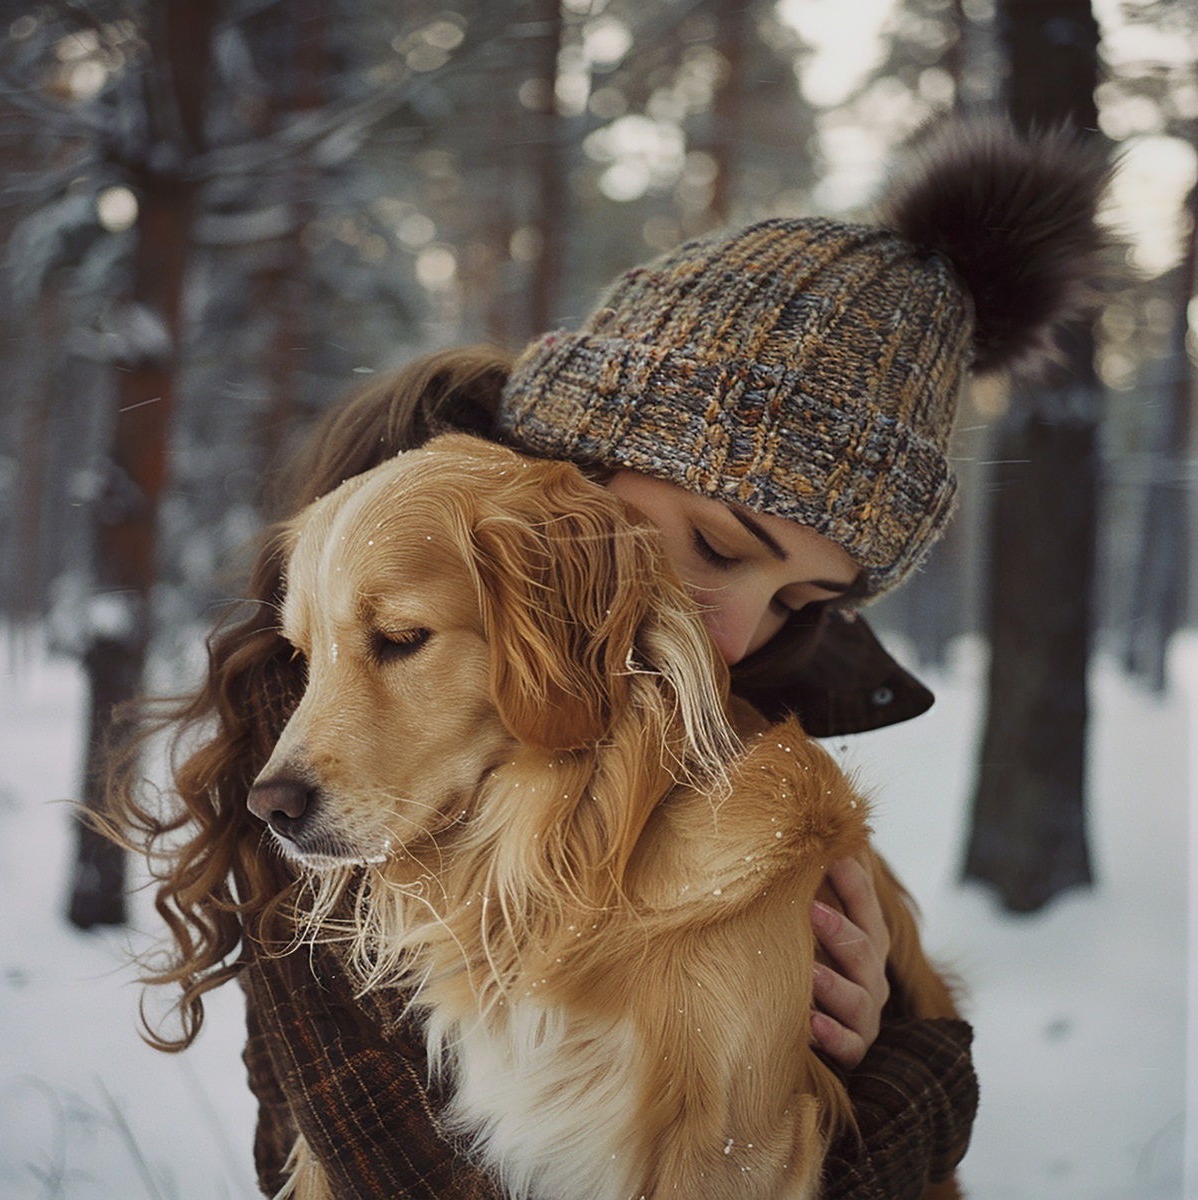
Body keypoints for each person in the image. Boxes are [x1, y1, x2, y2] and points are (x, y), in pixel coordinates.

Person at [110, 115, 1108, 1198]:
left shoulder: (748, 746)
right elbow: (386, 1169)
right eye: (719, 548)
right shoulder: (333, 733)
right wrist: (910, 1102)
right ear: (590, 455)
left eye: (802, 601)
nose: (737, 636)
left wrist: (898, 1049)